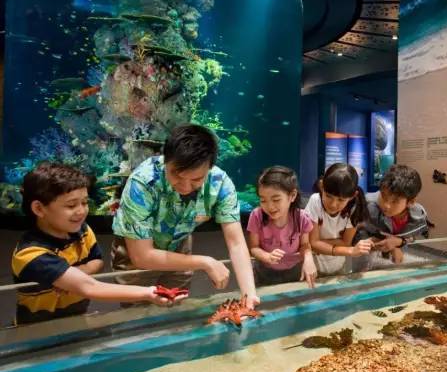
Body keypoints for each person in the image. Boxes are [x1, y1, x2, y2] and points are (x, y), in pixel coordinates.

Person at [111, 124, 258, 308]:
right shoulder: (142, 182)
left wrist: (249, 293)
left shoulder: (220, 183)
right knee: (136, 312)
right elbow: (142, 256)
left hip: (179, 245)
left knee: (175, 307)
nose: (185, 186)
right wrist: (205, 262)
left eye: (196, 179)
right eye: (177, 175)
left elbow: (236, 242)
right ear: (166, 160)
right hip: (136, 253)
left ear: (210, 167)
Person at [12, 163, 170, 325]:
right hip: (39, 327)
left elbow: (97, 261)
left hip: (76, 318)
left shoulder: (82, 230)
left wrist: (74, 275)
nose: (81, 211)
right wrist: (149, 293)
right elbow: (90, 287)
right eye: (71, 205)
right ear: (39, 209)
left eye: (85, 202)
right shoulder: (30, 254)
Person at [247, 166, 316, 288]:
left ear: (292, 195)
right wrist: (266, 256)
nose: (270, 206)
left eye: (276, 200)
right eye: (263, 200)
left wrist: (308, 257)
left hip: (294, 269)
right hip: (265, 271)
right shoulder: (257, 216)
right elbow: (254, 247)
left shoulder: (301, 218)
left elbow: (305, 244)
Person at [305, 163, 373, 275]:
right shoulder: (315, 201)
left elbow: (345, 242)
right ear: (322, 187)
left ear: (352, 196)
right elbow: (313, 243)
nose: (333, 204)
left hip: (339, 266)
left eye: (341, 200)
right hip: (313, 268)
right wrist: (349, 250)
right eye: (328, 196)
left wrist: (317, 243)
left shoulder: (354, 209)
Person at [362, 164, 429, 264]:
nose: (386, 205)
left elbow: (412, 235)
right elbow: (353, 231)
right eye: (383, 196)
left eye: (394, 201)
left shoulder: (418, 216)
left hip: (393, 259)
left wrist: (399, 243)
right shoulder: (367, 205)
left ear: (411, 202)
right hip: (366, 257)